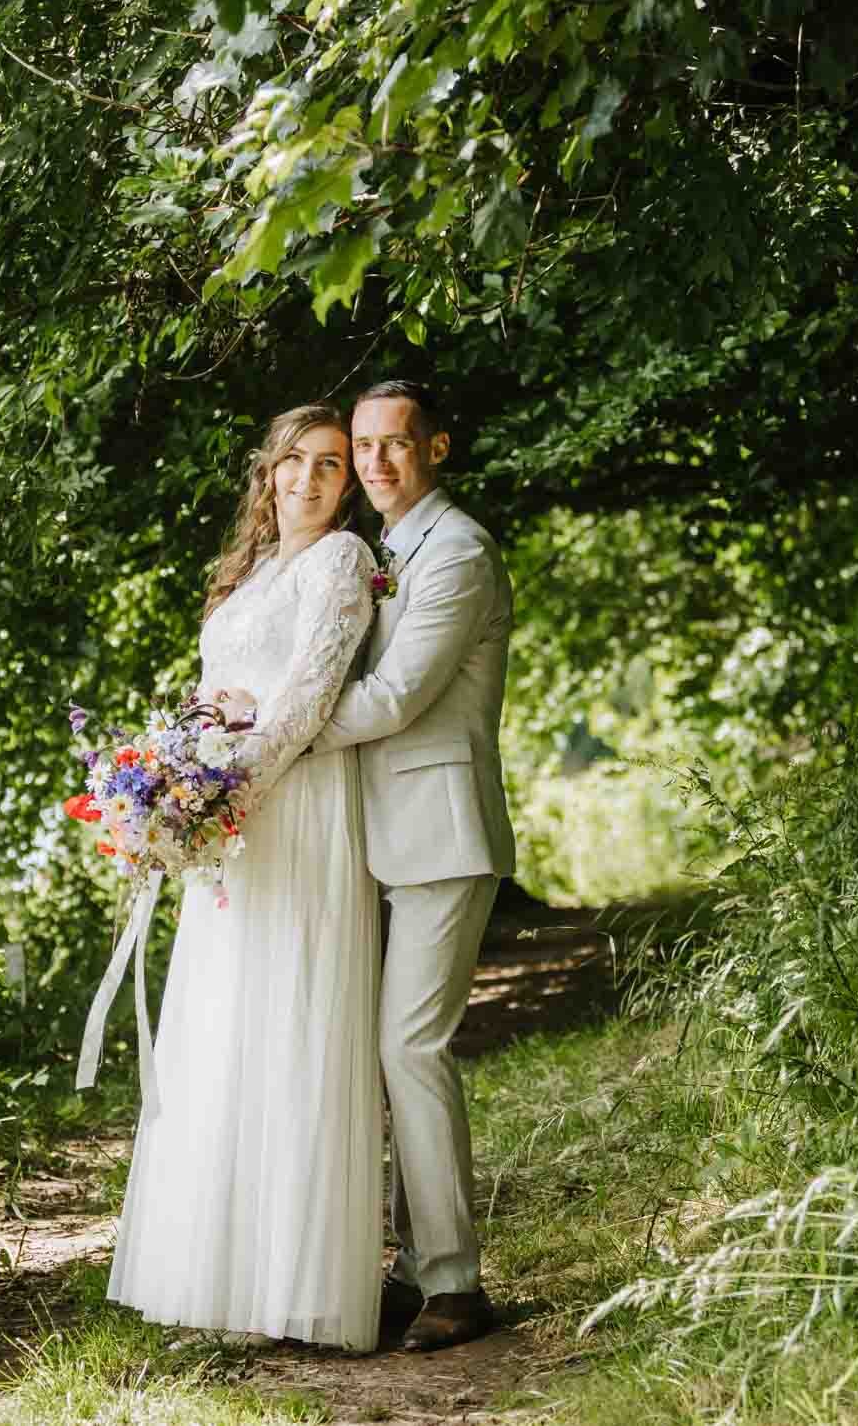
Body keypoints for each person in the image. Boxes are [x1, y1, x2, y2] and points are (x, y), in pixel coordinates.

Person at [105, 402, 385, 1351]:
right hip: (233, 823)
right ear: (268, 474)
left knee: (291, 1017)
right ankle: (221, 1273)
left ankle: (294, 1282)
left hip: (293, 810)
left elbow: (307, 698)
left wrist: (217, 794)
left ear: (349, 485)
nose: (308, 479)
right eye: (294, 462)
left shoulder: (341, 564)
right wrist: (177, 768)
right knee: (226, 1023)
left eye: (331, 465)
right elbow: (222, 693)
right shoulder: (251, 573)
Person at [313, 379, 514, 1353]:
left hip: (441, 830)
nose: (375, 462)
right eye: (361, 447)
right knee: (382, 1051)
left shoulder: (460, 550)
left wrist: (276, 736)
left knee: (410, 1048)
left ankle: (456, 1282)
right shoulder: (383, 550)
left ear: (437, 447)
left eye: (396, 443)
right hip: (377, 832)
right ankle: (410, 1266)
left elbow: (393, 696)